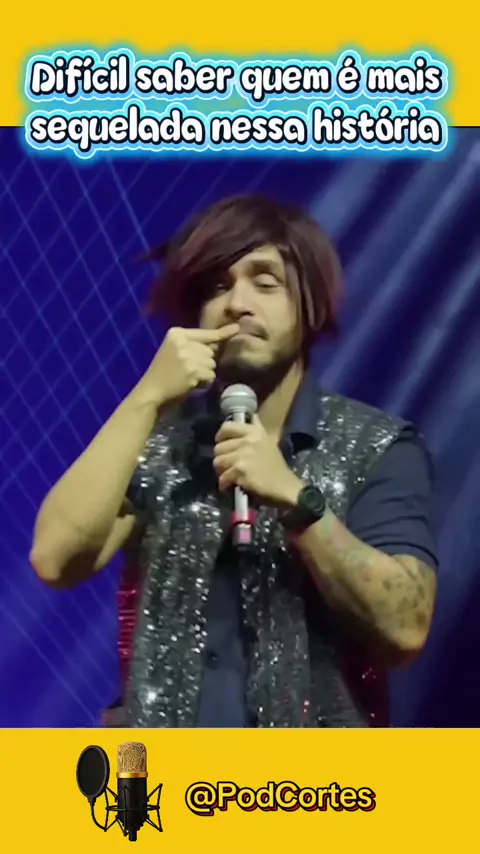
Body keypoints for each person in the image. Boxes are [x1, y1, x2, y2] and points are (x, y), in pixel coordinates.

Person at [30, 194, 438, 728]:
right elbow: (55, 560)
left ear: (310, 304)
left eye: (265, 283)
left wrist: (297, 500)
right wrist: (146, 399)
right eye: (216, 287)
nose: (237, 303)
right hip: (157, 773)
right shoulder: (159, 444)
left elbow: (404, 630)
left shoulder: (378, 446)